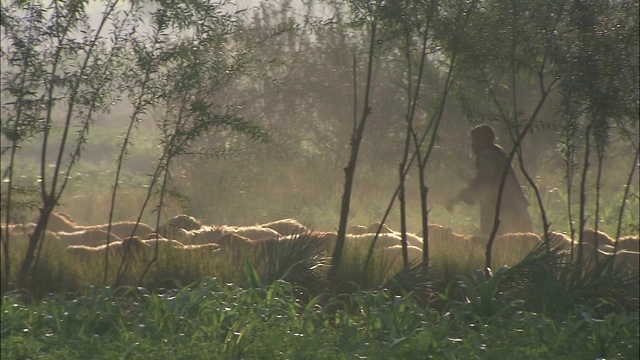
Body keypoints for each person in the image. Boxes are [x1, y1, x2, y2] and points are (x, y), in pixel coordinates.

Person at [446, 124, 533, 235]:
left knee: (499, 246)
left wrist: (458, 198)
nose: (472, 145)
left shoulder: (488, 155)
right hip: (517, 208)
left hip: (504, 213)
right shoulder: (498, 151)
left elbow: (482, 180)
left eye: (474, 140)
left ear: (482, 140)